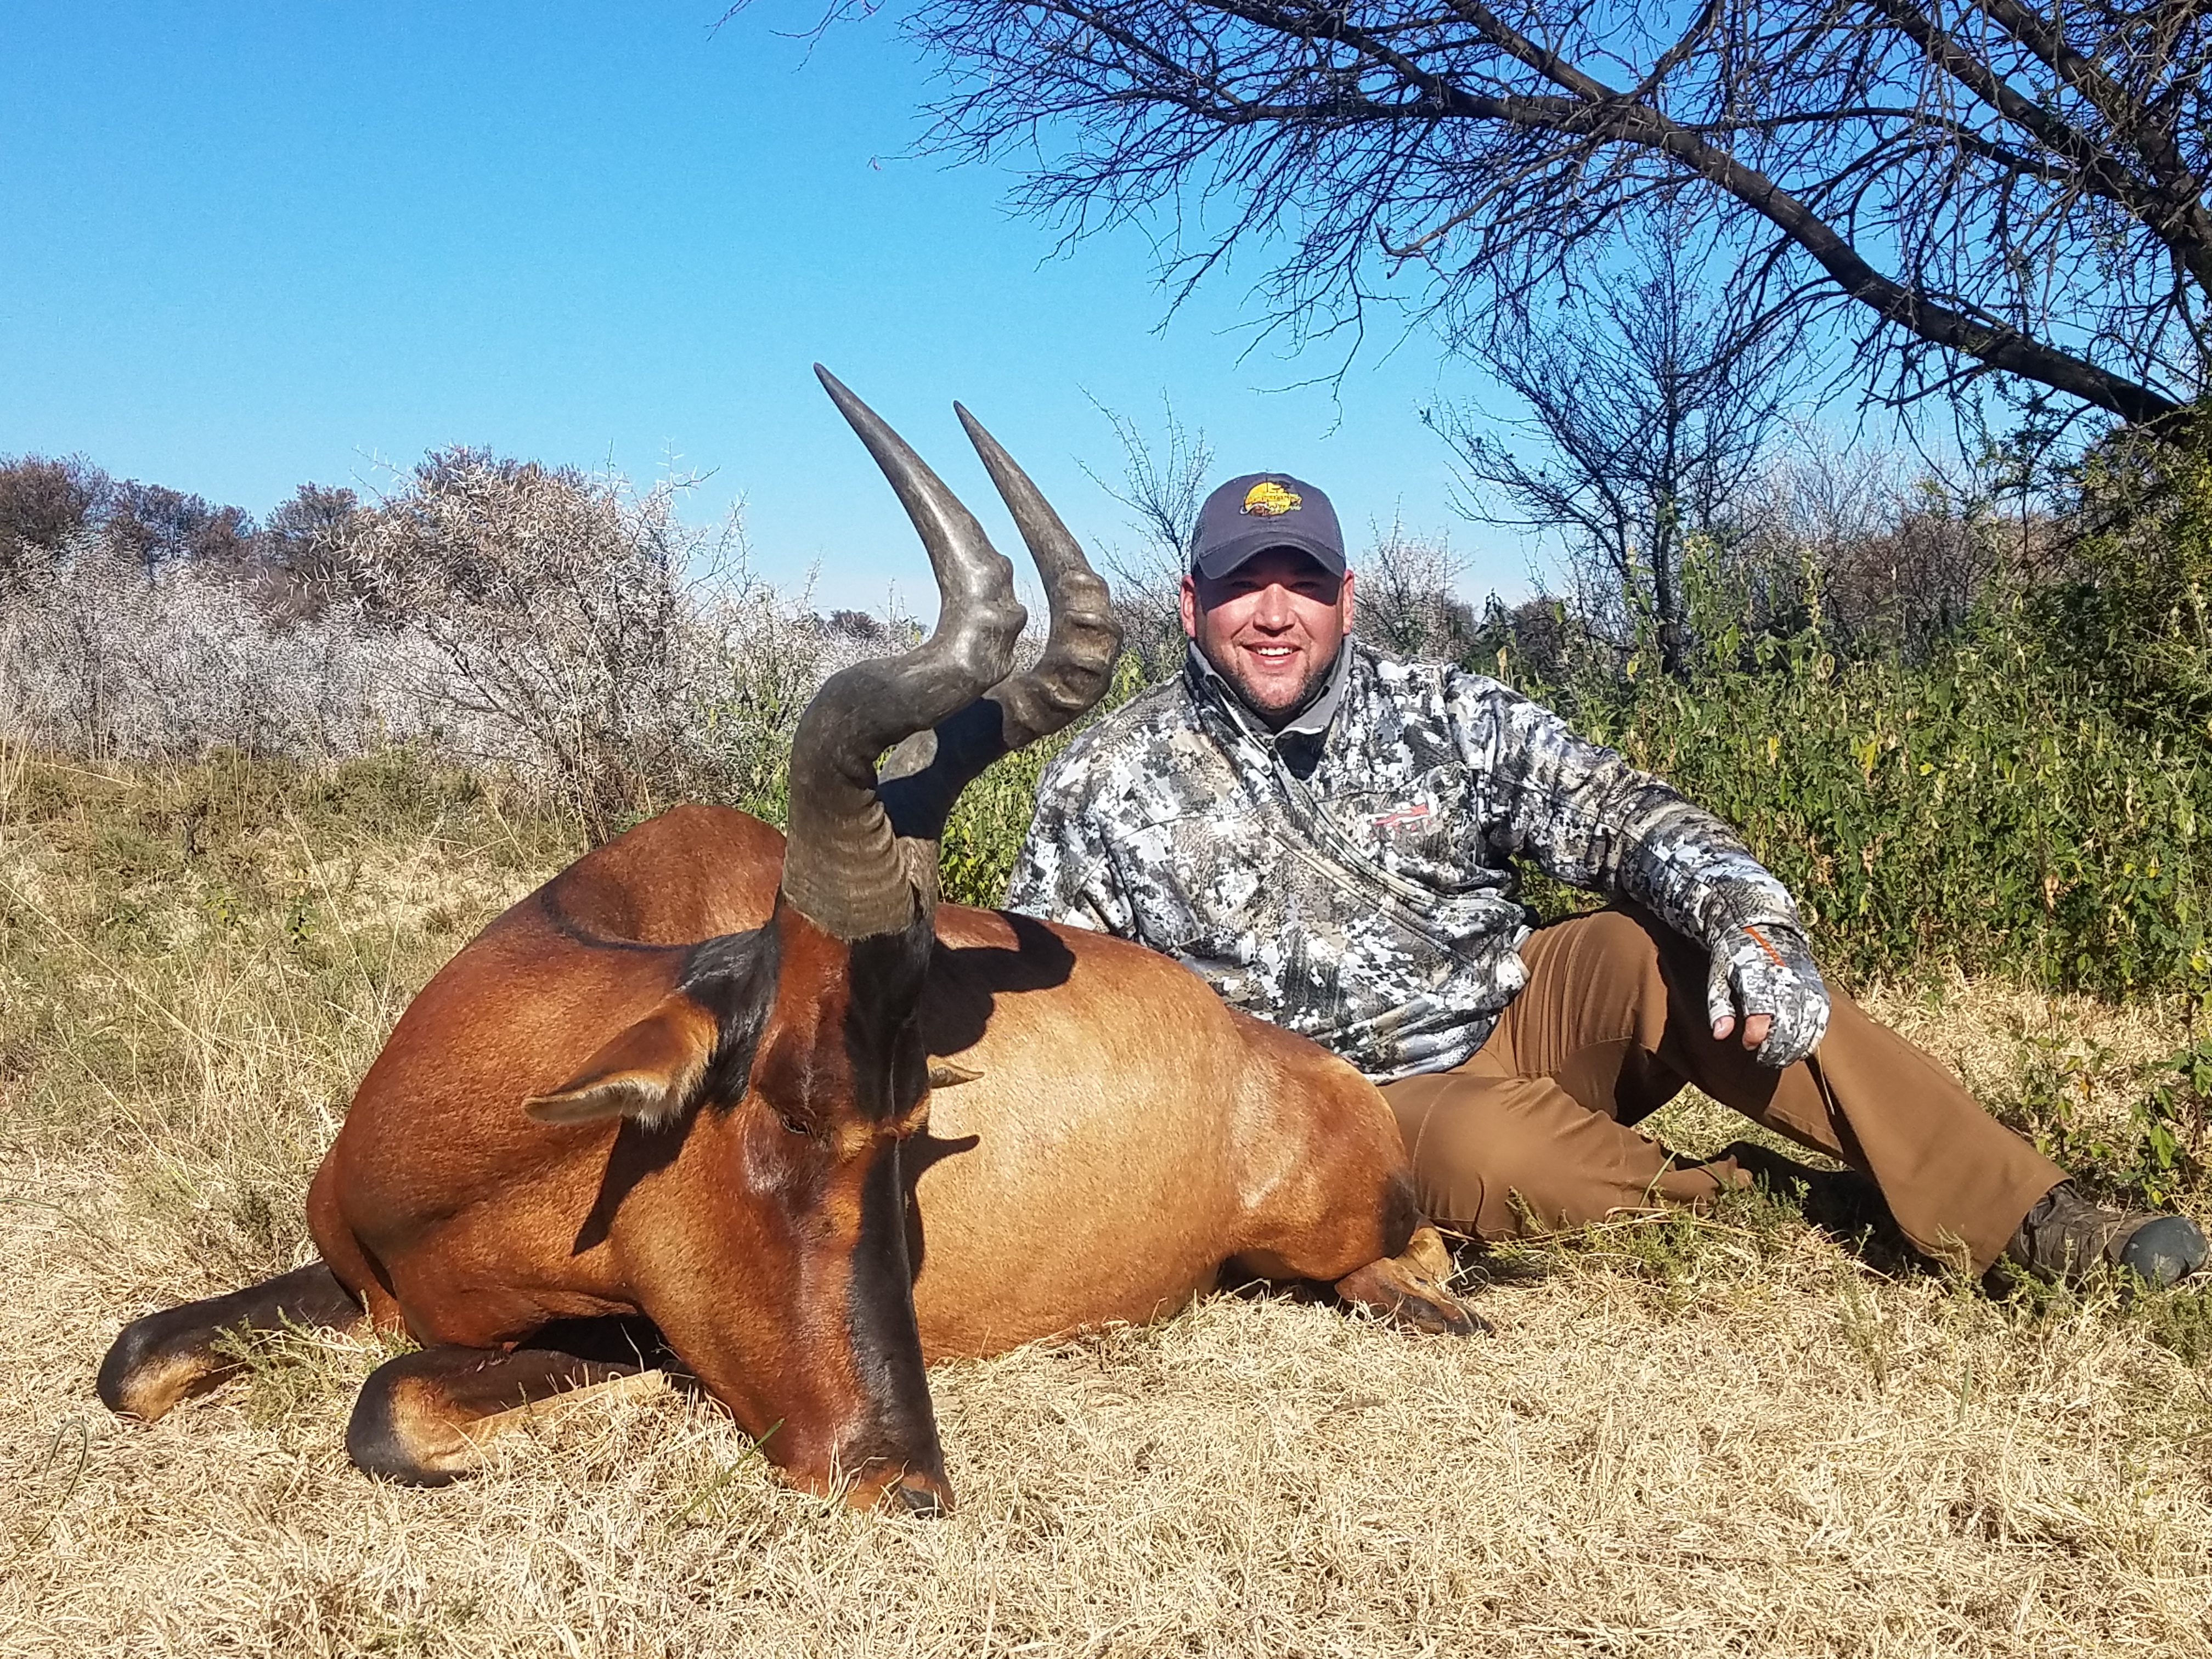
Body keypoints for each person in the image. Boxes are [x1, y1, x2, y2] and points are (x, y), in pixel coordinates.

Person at [1005, 471, 2209, 1286]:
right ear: (1191, 602)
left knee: (1652, 949)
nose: (1274, 614)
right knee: (1491, 1154)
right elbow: (1055, 1010)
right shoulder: (1106, 778)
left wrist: (1753, 920)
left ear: (1345, 597)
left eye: (1302, 583)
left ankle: (2032, 1215)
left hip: (1520, 1008)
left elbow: (1624, 812)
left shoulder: (1445, 710)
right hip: (1342, 1099)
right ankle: (1768, 1203)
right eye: (1241, 586)